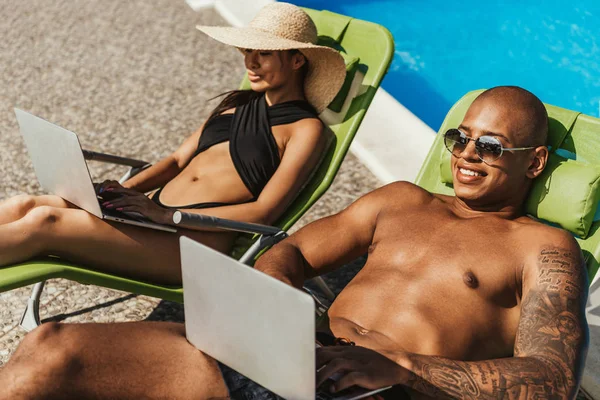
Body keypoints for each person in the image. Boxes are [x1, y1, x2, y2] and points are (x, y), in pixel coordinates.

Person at [0, 86, 589, 399]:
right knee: (49, 349)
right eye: (460, 138)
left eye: (490, 147)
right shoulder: (402, 200)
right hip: (283, 354)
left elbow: (551, 379)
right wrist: (277, 299)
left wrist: (401, 367)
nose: (464, 156)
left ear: (535, 162)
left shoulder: (546, 248)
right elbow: (293, 251)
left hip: (372, 391)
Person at [0, 2, 346, 285]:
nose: (250, 62)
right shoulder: (237, 104)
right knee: (25, 204)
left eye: (264, 53)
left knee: (45, 222)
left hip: (188, 245)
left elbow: (264, 212)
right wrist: (120, 191)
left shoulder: (305, 130)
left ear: (297, 59)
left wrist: (167, 215)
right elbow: (179, 160)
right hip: (146, 219)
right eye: (247, 50)